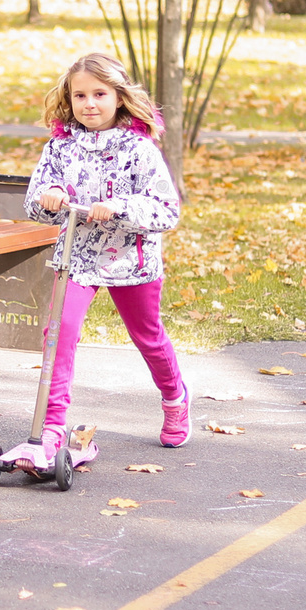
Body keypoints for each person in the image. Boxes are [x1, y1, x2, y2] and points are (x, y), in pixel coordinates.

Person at [23, 52, 189, 455]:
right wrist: (52, 198)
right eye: (80, 96)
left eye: (99, 94)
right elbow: (33, 205)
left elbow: (166, 210)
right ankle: (52, 426)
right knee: (59, 333)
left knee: (147, 336)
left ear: (119, 96)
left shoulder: (139, 148)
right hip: (76, 258)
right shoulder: (60, 147)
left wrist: (122, 208)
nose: (89, 104)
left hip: (131, 259)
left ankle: (175, 399)